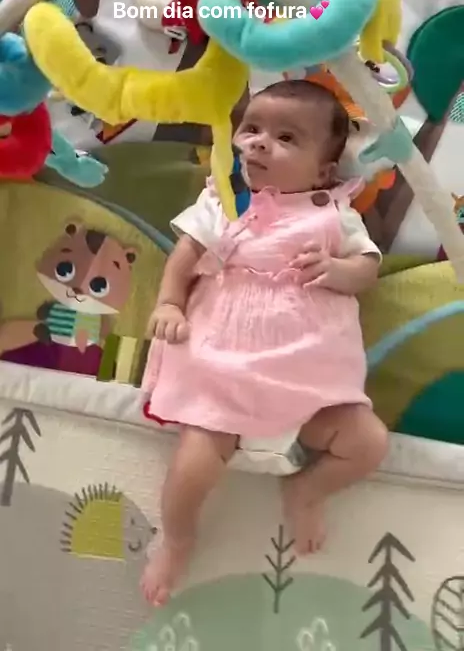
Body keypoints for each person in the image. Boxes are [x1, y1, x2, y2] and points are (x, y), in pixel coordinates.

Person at [141, 79, 388, 606]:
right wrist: (168, 304)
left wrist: (338, 270)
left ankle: (307, 491)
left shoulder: (333, 213)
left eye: (286, 137)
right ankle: (178, 539)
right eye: (250, 128)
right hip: (226, 372)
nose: (257, 142)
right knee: (192, 467)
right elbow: (184, 258)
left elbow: (367, 269)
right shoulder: (224, 201)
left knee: (367, 443)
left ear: (323, 170)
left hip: (308, 387)